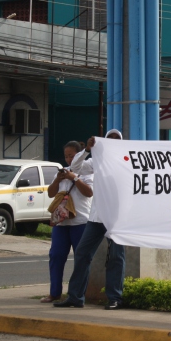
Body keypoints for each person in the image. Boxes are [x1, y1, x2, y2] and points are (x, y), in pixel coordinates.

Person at [54, 129, 127, 310]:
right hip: (97, 216)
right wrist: (87, 149)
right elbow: (76, 167)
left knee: (116, 257)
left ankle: (115, 298)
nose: (112, 143)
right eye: (108, 140)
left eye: (116, 140)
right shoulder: (97, 161)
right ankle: (76, 297)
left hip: (117, 216)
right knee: (82, 254)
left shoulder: (127, 161)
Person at [40, 141, 94, 303]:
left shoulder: (88, 172)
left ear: (79, 155)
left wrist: (75, 178)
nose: (69, 159)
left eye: (72, 156)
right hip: (61, 223)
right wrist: (58, 180)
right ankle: (54, 292)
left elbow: (89, 192)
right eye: (66, 156)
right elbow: (50, 194)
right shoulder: (62, 173)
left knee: (81, 259)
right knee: (56, 256)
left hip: (81, 222)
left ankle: (77, 294)